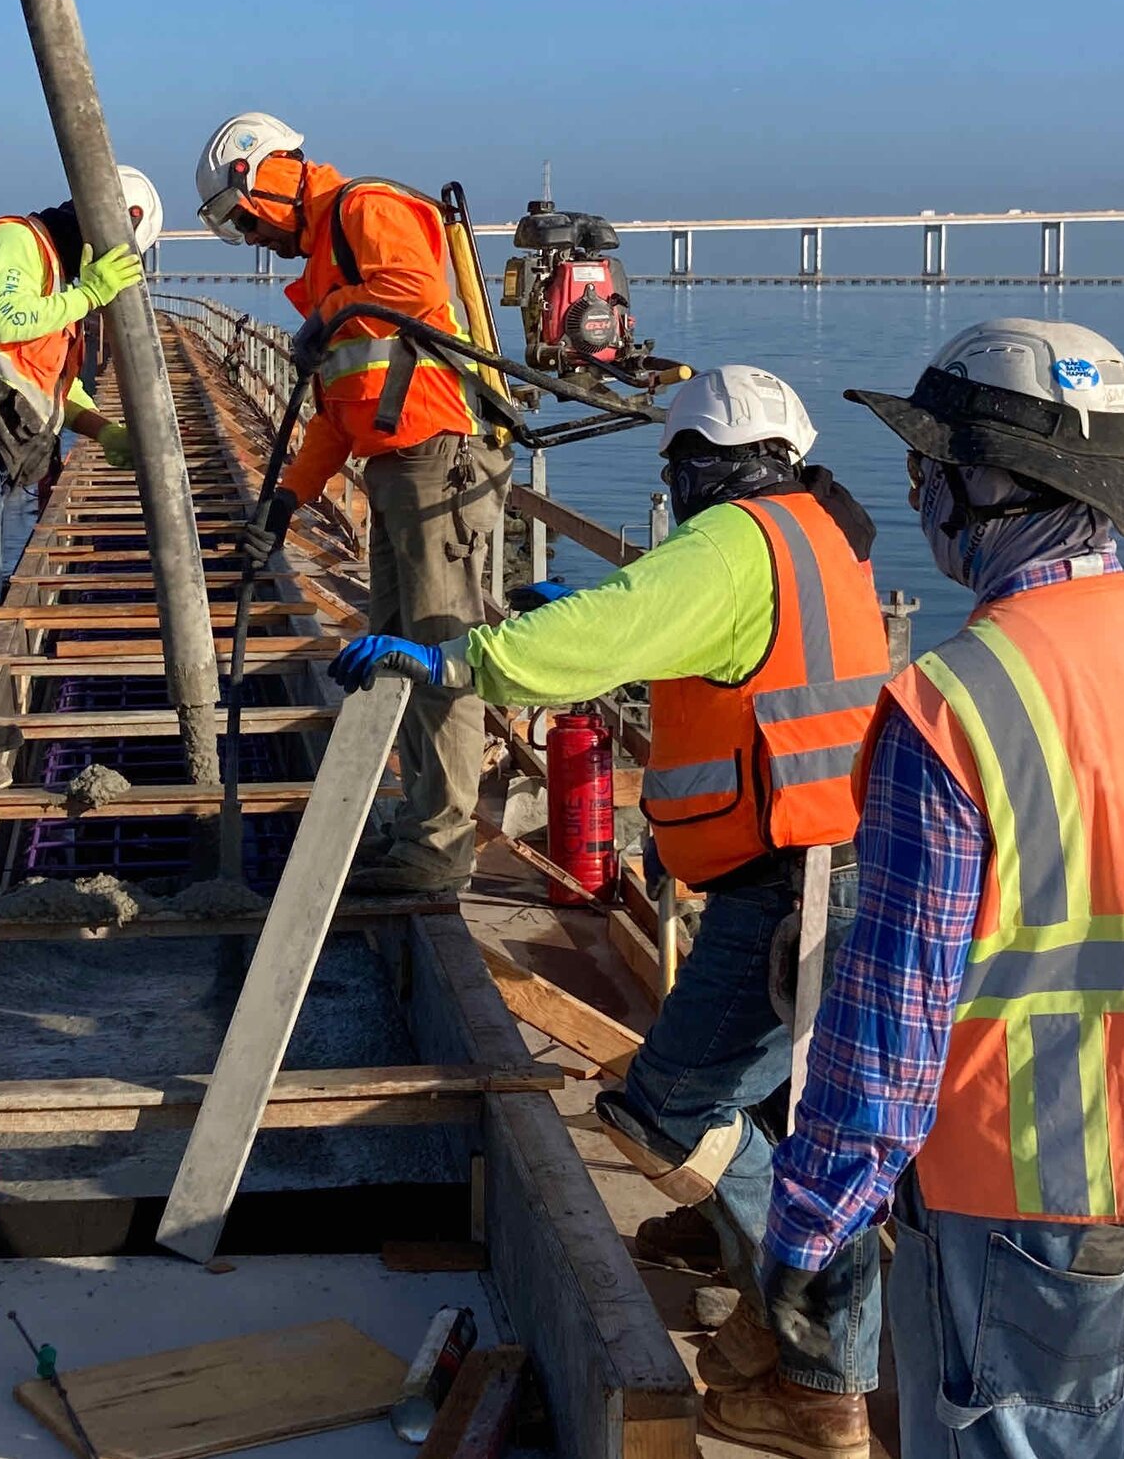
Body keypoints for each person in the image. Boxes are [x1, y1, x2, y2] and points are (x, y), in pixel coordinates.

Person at [763, 317, 1124, 1459]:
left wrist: (813, 1224)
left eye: (928, 469)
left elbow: (895, 1017)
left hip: (1021, 1196)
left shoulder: (951, 701)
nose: (917, 492)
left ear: (986, 484)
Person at [329, 365, 893, 1456]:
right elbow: (692, 642)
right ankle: (764, 1304)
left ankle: (823, 1370)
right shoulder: (815, 528)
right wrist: (582, 614)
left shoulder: (733, 541)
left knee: (668, 1110)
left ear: (699, 465)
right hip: (827, 864)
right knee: (778, 1117)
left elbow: (632, 624)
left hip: (787, 884)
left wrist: (456, 655)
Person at [196, 112, 510, 893]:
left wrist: (328, 314)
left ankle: (439, 848)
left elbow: (416, 290)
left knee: (440, 652)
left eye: (244, 217)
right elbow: (340, 418)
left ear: (264, 172)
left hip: (441, 459)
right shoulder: (331, 265)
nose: (253, 235)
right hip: (399, 469)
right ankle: (414, 830)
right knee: (398, 649)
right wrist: (283, 504)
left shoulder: (364, 208)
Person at [0, 168, 160, 792]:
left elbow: (51, 386)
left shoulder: (58, 284)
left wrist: (104, 432)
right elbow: (11, 320)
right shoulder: (16, 240)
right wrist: (89, 295)